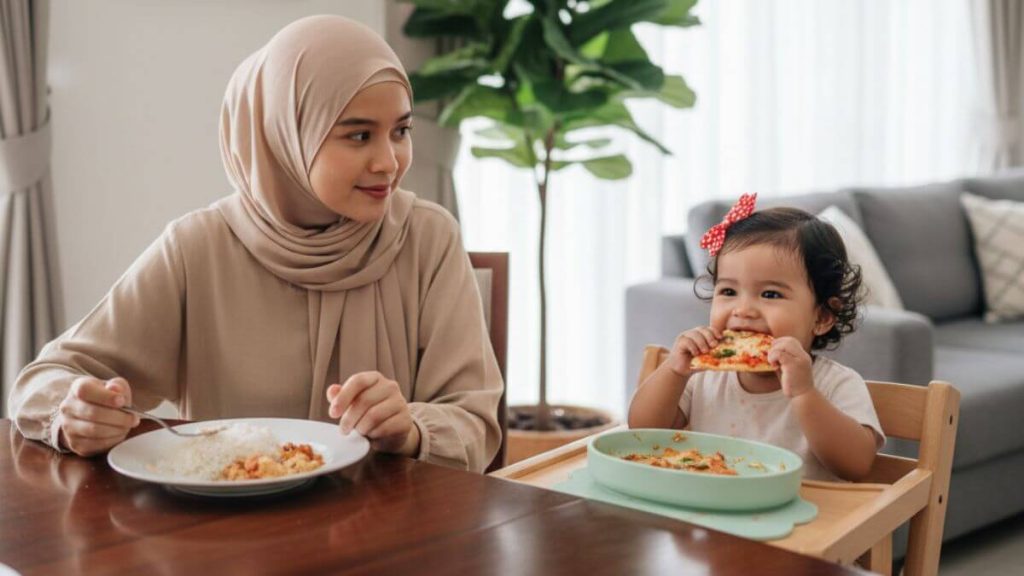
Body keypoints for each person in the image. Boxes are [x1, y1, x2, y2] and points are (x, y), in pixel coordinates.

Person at [7, 15, 502, 472]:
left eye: (401, 130)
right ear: (284, 137)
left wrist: (411, 429)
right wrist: (75, 411)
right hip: (230, 543)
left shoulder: (429, 238)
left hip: (393, 544)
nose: (389, 161)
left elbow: (475, 425)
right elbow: (43, 379)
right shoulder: (197, 248)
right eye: (358, 136)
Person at [628, 195, 883, 481]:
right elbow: (641, 432)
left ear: (822, 317)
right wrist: (674, 372)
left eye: (770, 294)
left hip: (806, 519)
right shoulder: (703, 378)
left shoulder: (836, 384)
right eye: (728, 291)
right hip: (710, 510)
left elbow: (856, 465)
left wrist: (804, 394)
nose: (744, 310)